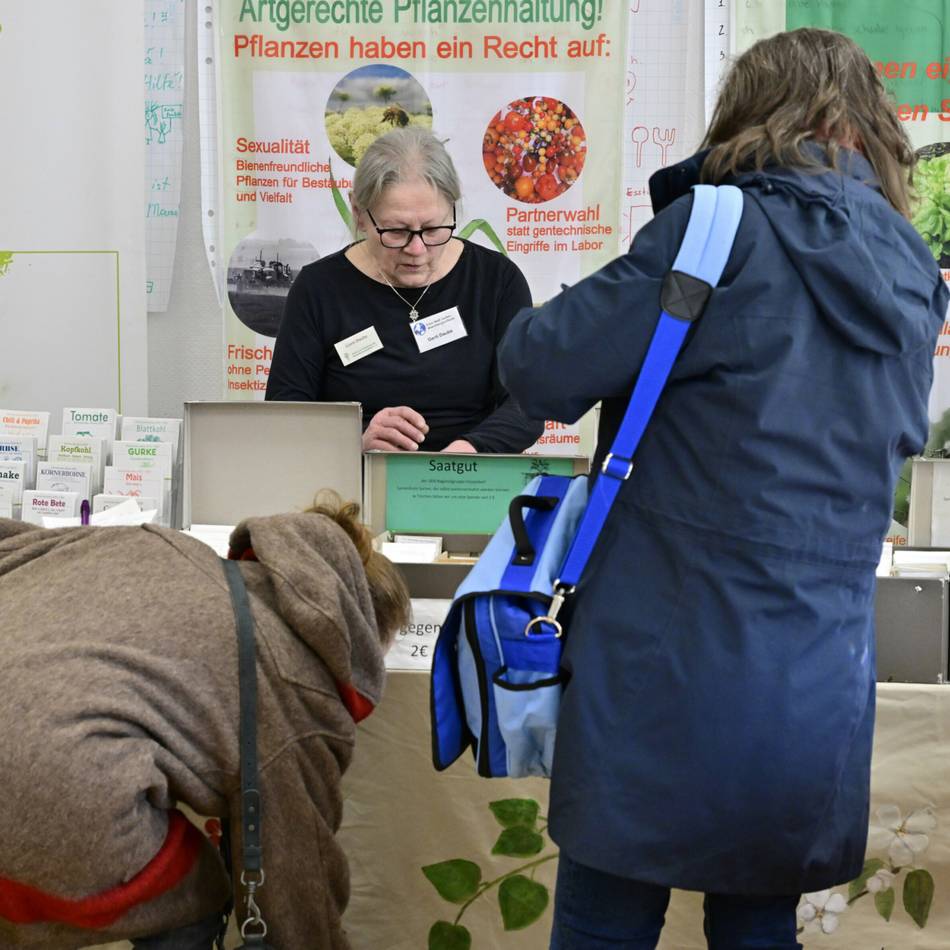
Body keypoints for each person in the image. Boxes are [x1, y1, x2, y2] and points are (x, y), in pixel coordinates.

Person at [497, 28, 948, 950]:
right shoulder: (912, 272)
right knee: (757, 921)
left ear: (752, 115)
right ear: (861, 124)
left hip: (658, 661)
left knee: (605, 917)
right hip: (813, 676)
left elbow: (538, 368)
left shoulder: (716, 230)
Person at [0, 494, 410, 949]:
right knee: (195, 897)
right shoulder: (299, 682)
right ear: (357, 631)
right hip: (37, 785)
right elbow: (298, 871)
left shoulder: (167, 549)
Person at [265, 126, 544, 454]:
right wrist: (355, 446)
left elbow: (525, 404)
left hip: (470, 480)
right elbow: (286, 414)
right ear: (359, 213)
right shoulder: (318, 289)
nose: (417, 249)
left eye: (432, 228)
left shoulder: (496, 281)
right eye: (396, 231)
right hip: (356, 484)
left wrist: (465, 454)